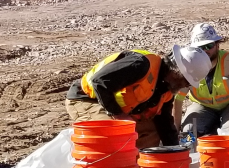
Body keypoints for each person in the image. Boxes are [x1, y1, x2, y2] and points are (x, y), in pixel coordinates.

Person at [66, 45, 212, 149]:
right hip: (86, 99)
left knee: (152, 131)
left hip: (110, 105)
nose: (184, 87)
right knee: (116, 133)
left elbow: (165, 125)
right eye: (186, 82)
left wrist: (177, 159)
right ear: (177, 72)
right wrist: (119, 115)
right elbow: (100, 82)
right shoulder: (140, 65)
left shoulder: (167, 90)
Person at [179, 23, 229, 139]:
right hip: (202, 106)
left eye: (209, 46)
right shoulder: (188, 65)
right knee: (188, 133)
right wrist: (174, 131)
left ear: (217, 45)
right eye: (200, 48)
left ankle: (219, 132)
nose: (205, 51)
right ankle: (212, 131)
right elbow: (178, 99)